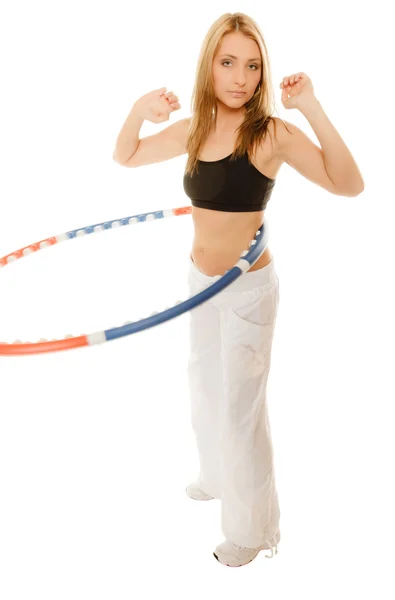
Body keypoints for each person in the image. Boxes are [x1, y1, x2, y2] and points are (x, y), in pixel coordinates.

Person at [113, 12, 364, 568]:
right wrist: (139, 109)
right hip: (199, 283)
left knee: (239, 410)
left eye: (252, 66)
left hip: (248, 291)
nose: (241, 77)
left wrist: (312, 108)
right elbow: (126, 155)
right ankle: (216, 476)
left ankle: (252, 532)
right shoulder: (194, 129)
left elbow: (349, 184)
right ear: (209, 65)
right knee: (203, 387)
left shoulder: (271, 133)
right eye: (228, 62)